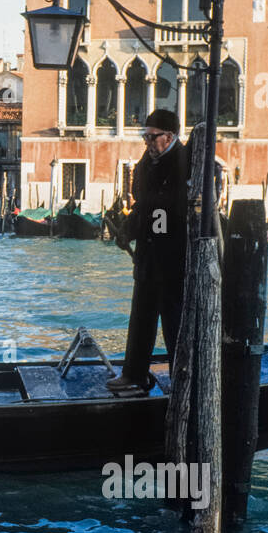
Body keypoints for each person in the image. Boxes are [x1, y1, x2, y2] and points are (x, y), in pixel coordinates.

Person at [107, 109, 189, 394]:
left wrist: (149, 227)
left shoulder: (185, 162)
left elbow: (169, 212)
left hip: (173, 260)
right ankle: (134, 375)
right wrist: (127, 231)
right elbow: (144, 205)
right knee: (140, 317)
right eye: (145, 137)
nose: (148, 143)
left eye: (152, 137)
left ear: (169, 137)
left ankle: (182, 377)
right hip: (148, 258)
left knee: (173, 321)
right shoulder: (146, 164)